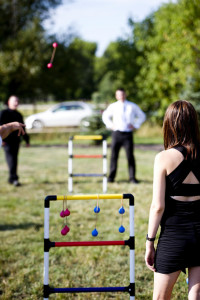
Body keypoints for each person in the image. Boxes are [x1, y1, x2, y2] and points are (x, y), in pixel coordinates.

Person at [145, 100, 200, 299]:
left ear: (170, 124)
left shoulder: (164, 157)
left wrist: (149, 241)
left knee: (160, 297)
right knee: (196, 294)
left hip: (174, 236)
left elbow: (158, 206)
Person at [102, 88, 146, 183]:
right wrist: (110, 125)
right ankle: (111, 177)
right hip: (116, 133)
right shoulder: (113, 106)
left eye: (122, 94)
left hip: (127, 134)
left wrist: (135, 125)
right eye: (119, 95)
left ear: (125, 95)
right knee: (114, 156)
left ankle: (132, 178)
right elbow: (105, 116)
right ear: (116, 96)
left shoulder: (132, 106)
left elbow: (142, 116)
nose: (121, 96)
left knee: (130, 156)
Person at [0, 96, 30, 186]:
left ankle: (11, 178)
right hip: (6, 141)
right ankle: (14, 178)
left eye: (17, 101)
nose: (16, 103)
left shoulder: (18, 114)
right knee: (11, 160)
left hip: (16, 141)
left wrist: (27, 140)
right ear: (8, 102)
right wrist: (2, 140)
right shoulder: (3, 113)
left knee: (15, 160)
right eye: (14, 101)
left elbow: (23, 129)